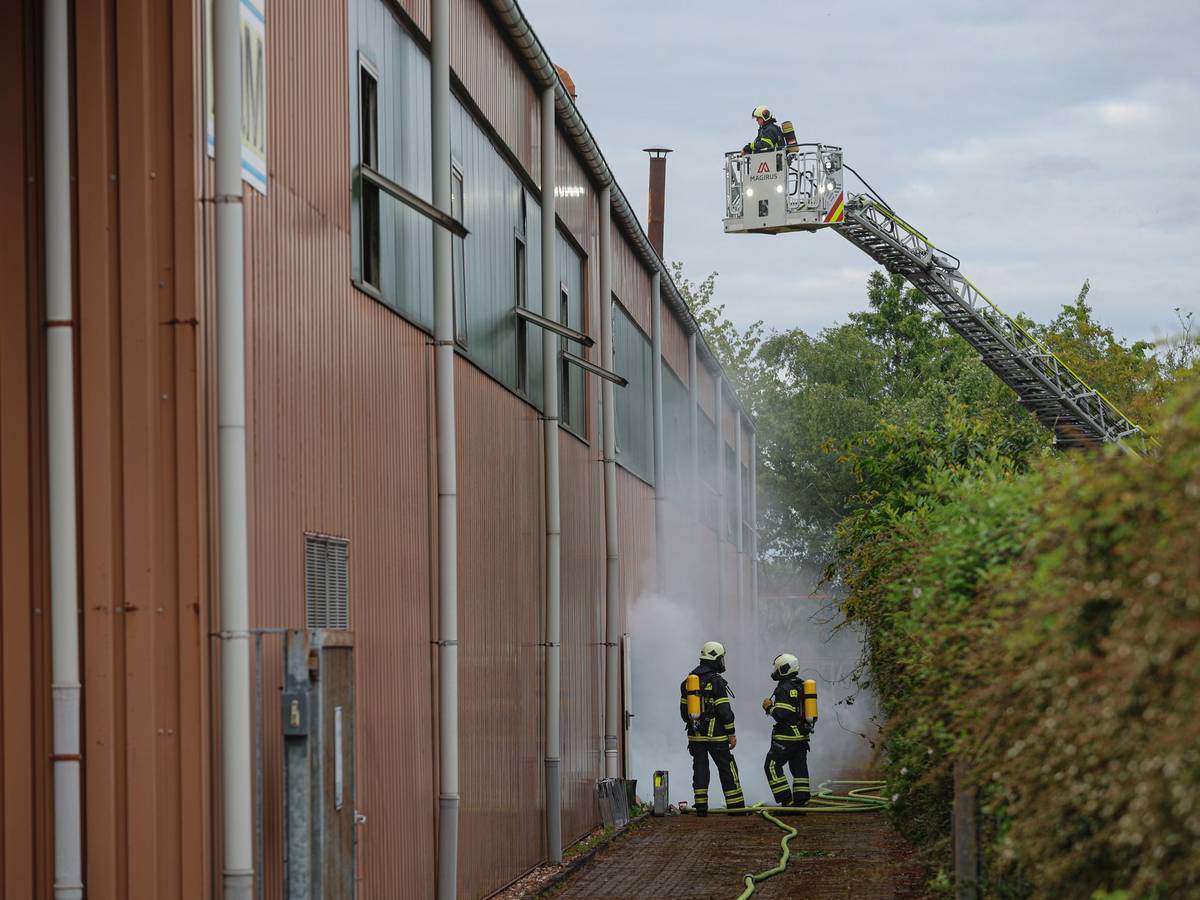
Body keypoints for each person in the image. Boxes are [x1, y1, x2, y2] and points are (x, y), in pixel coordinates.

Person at [679, 641, 745, 816]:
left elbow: (684, 713)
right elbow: (725, 711)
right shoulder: (716, 682)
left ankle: (701, 808)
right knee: (727, 767)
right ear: (715, 659)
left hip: (695, 735)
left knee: (700, 768)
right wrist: (731, 732)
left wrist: (696, 724)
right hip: (716, 736)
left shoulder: (687, 681)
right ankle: (736, 807)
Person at [761, 652, 812, 806]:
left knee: (771, 766)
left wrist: (769, 707)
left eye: (777, 669)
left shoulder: (783, 688)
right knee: (799, 767)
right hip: (802, 736)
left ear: (784, 669)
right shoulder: (803, 686)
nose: (775, 672)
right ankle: (801, 800)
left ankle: (786, 800)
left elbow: (781, 714)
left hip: (786, 737)